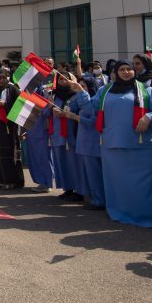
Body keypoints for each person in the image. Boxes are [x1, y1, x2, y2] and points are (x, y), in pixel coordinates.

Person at [94, 60, 152, 228]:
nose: (126, 72)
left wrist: (149, 117)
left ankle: (149, 215)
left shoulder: (147, 90)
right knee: (120, 186)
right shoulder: (104, 91)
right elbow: (91, 109)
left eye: (129, 69)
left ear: (134, 72)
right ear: (115, 72)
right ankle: (122, 213)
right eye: (122, 69)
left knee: (146, 186)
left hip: (144, 147)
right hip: (114, 147)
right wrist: (80, 93)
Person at [66, 78, 105, 209]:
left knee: (95, 174)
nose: (80, 88)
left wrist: (74, 117)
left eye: (83, 86)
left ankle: (99, 200)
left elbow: (92, 121)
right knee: (90, 174)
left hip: (92, 143)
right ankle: (95, 198)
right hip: (84, 142)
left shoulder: (95, 101)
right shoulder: (81, 100)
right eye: (79, 86)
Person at [50, 72, 86, 202]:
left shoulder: (76, 95)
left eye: (67, 79)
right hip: (57, 134)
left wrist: (67, 113)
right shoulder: (53, 95)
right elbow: (46, 114)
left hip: (71, 134)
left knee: (74, 164)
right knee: (61, 163)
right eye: (61, 79)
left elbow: (83, 111)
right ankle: (68, 189)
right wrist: (50, 107)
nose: (64, 81)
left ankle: (80, 191)